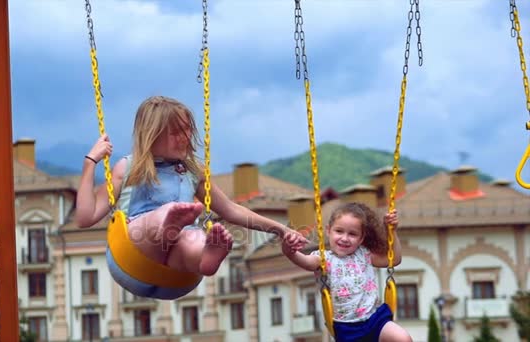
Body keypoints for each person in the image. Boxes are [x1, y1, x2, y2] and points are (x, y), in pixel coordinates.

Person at [76, 95, 308, 291]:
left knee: (193, 236)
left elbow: (231, 210)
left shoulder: (192, 172)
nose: (185, 138)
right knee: (164, 217)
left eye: (187, 130)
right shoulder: (129, 167)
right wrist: (90, 163)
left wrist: (281, 229)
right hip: (134, 255)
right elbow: (86, 218)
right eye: (176, 132)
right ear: (152, 134)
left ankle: (204, 257)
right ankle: (170, 223)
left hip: (176, 273)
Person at [282, 202, 412, 342]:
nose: (345, 238)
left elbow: (394, 259)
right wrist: (290, 252)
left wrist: (392, 232)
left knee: (403, 338)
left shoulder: (364, 255)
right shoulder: (324, 259)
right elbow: (306, 262)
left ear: (361, 238)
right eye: (339, 231)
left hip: (374, 318)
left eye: (352, 234)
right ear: (328, 231)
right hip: (346, 327)